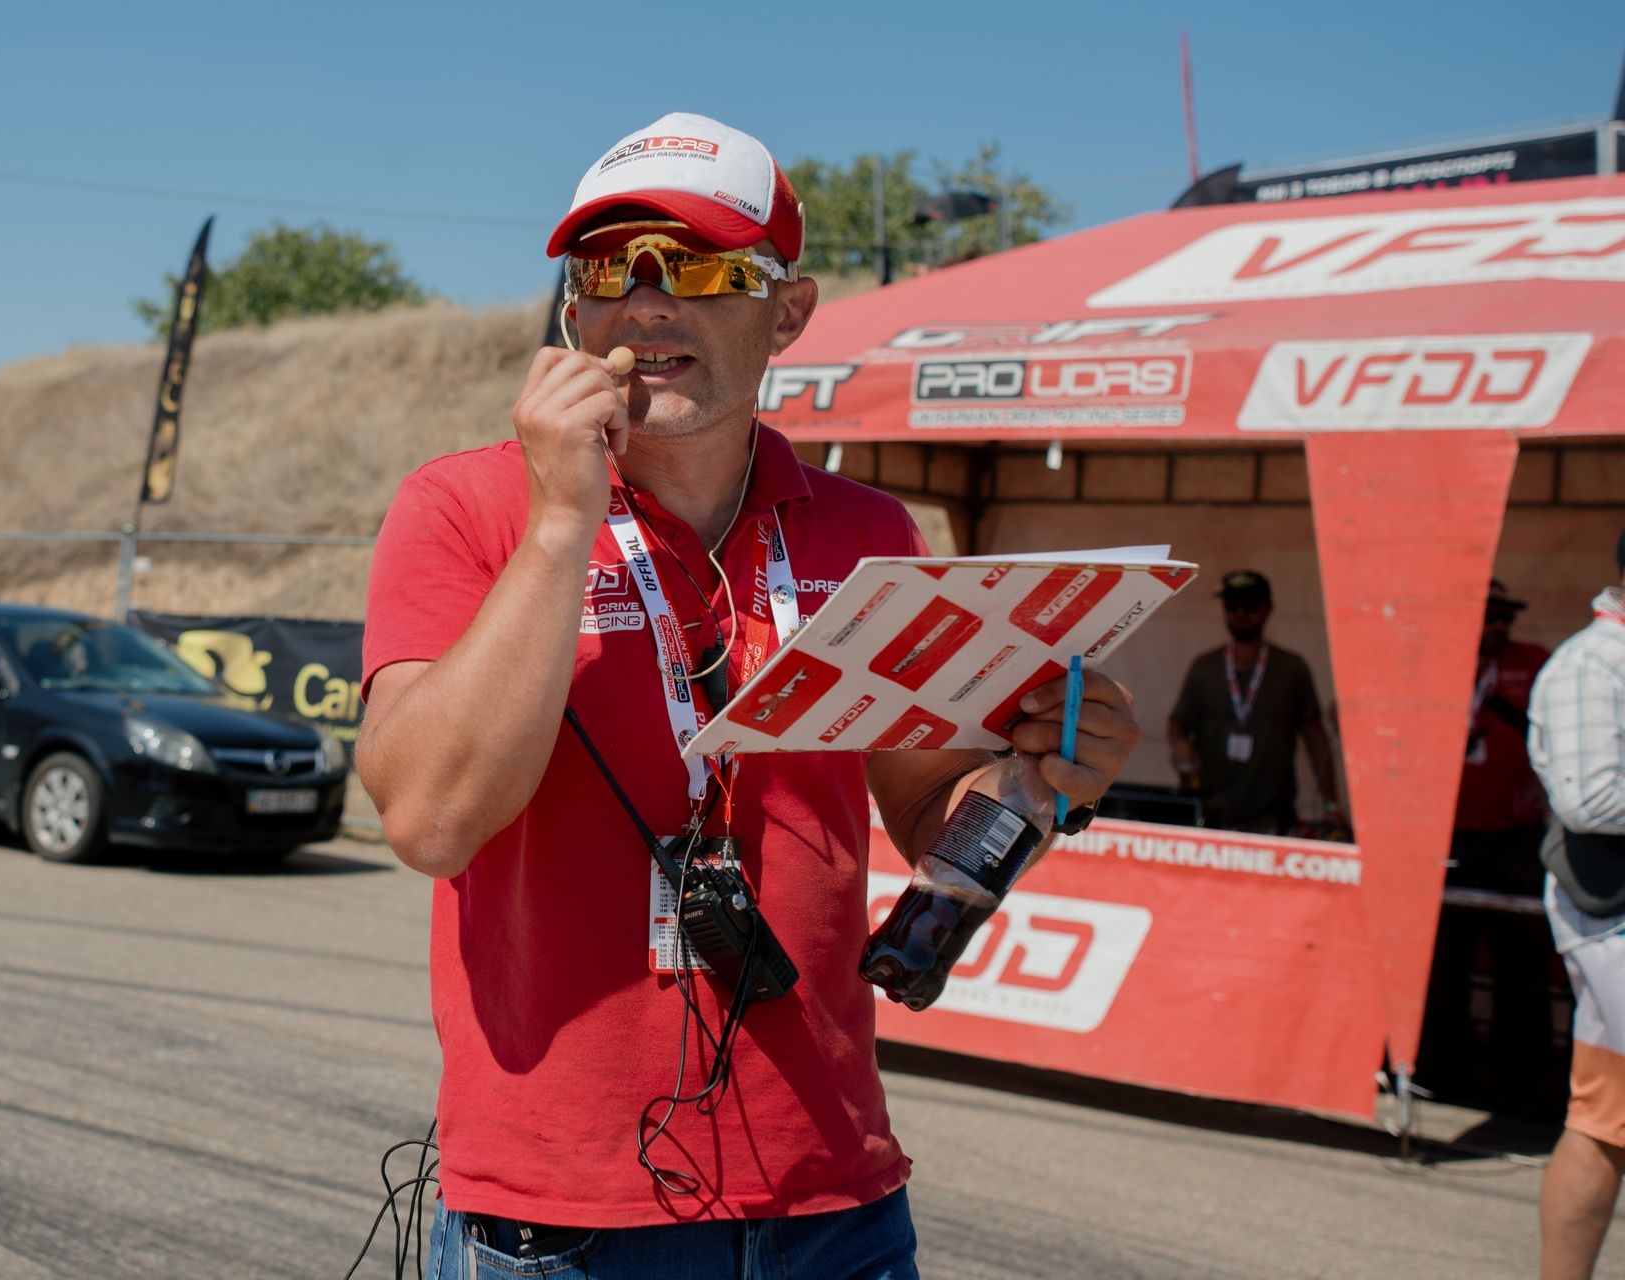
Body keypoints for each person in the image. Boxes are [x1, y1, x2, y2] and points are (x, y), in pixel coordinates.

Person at [355, 112, 1141, 1279]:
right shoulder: (468, 506)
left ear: (789, 312)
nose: (648, 302)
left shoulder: (872, 534)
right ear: (574, 310)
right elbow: (429, 818)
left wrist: (1037, 779)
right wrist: (565, 519)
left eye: (704, 266)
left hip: (836, 1198)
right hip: (564, 1217)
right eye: (610, 267)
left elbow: (930, 808)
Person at [1417, 581, 1557, 1113]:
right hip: (1448, 833)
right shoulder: (1436, 665)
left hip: (1515, 836)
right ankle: (1440, 1073)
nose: (1498, 626)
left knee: (1521, 964)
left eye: (1505, 617)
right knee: (1445, 960)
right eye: (1488, 616)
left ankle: (1524, 1085)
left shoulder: (1535, 663)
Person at [1534, 532, 1625, 1280]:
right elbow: (1589, 799)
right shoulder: (1591, 664)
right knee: (1603, 1122)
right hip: (1611, 917)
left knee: (1605, 1122)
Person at [1166, 569, 1341, 835]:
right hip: (1212, 814)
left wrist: (1331, 805)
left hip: (1274, 818)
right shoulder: (1205, 667)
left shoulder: (1292, 668)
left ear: (1267, 609)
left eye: (1250, 606)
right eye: (1232, 606)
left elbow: (1315, 735)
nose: (1240, 614)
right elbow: (1178, 725)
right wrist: (1180, 744)